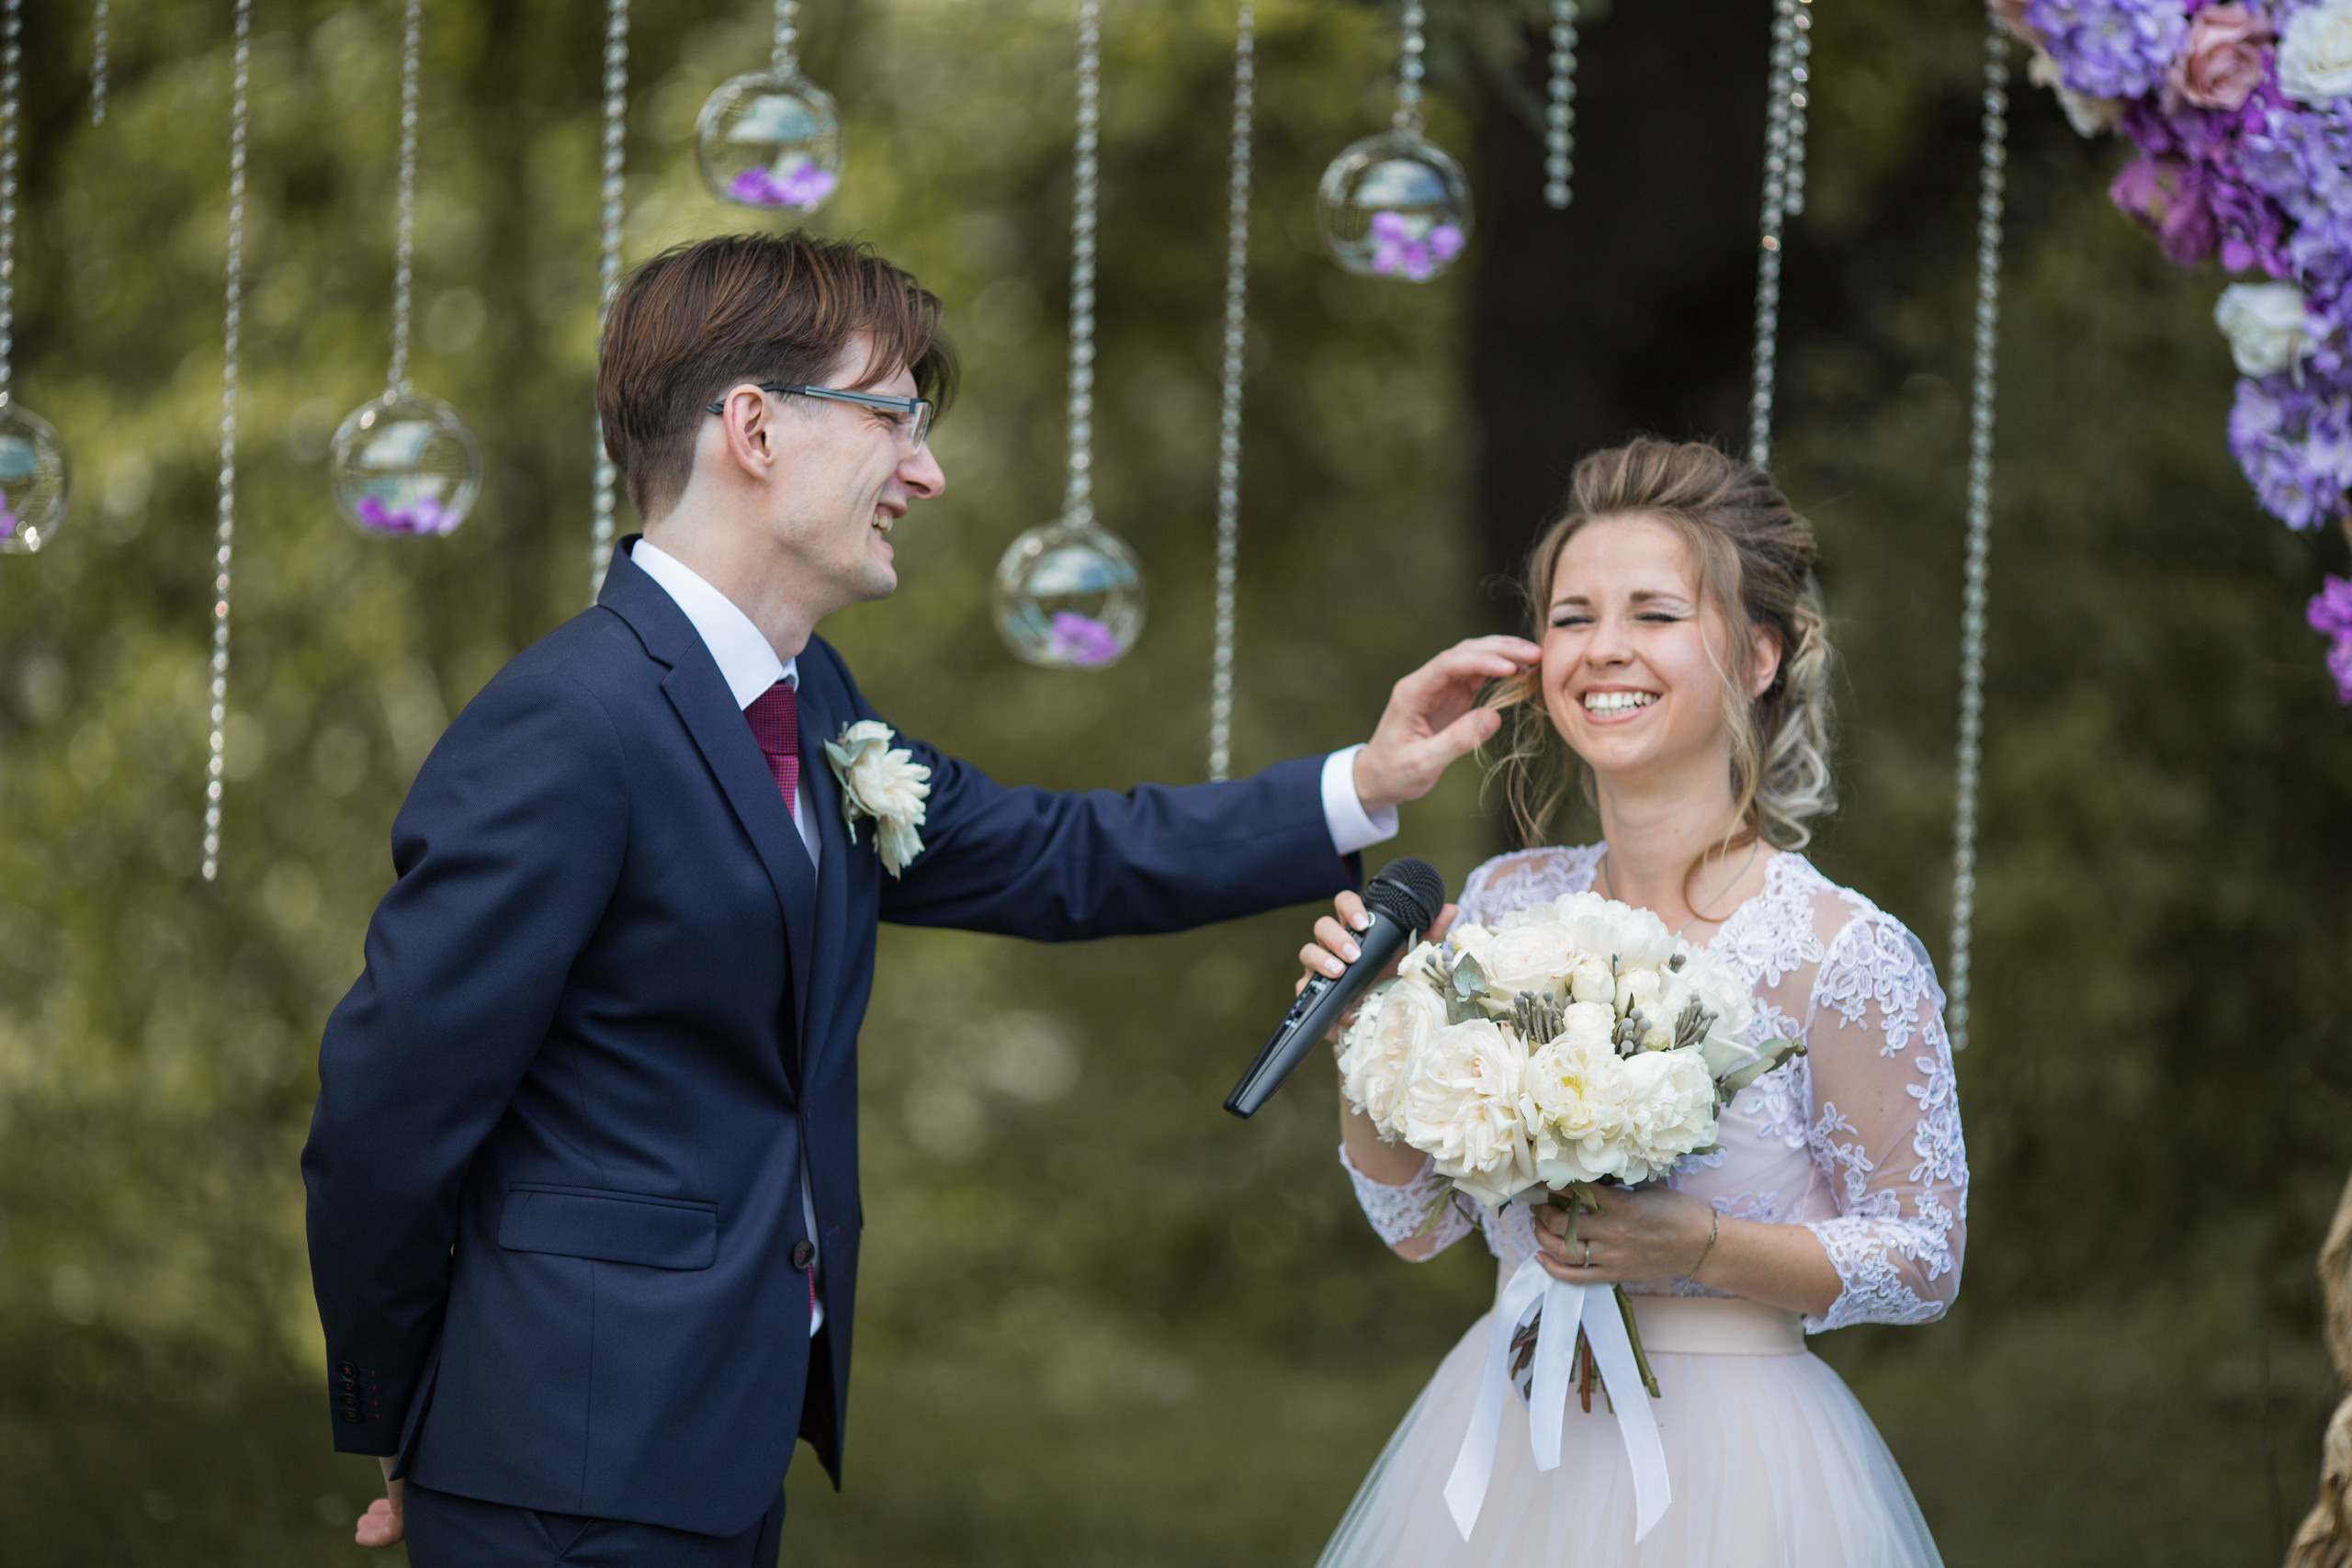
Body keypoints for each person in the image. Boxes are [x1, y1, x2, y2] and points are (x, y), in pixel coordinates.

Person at [301, 231, 1538, 1567]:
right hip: (551, 1458)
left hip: (713, 1444)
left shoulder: (812, 699)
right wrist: (407, 1415)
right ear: (755, 427)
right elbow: (389, 1105)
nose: (927, 470)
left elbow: (1053, 854)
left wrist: (1361, 780)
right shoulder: (566, 721)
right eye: (895, 416)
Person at [1299, 438, 1962, 1567]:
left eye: (1653, 614)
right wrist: (1364, 1046)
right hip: (1511, 1438)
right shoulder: (1504, 907)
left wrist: (1696, 1243)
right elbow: (1417, 1228)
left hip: (1739, 1469)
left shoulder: (1839, 953)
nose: (1603, 649)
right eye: (1571, 616)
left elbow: (1922, 1256)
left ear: (1756, 655)